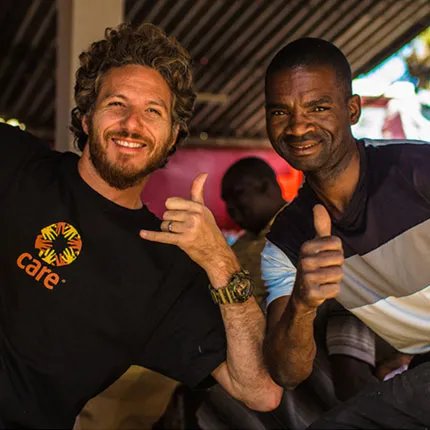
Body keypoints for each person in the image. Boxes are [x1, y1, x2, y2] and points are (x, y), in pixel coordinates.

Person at [0, 22, 282, 429]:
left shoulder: (164, 271)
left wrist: (220, 259)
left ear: (172, 138)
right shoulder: (13, 161)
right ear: (85, 119)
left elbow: (260, 390)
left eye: (153, 111)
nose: (132, 124)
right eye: (117, 103)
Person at [262, 36, 430, 427]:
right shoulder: (286, 243)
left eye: (318, 107)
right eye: (280, 112)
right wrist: (303, 302)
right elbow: (287, 373)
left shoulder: (418, 171)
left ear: (351, 110)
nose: (298, 126)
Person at [221, 157, 288, 309]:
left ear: (266, 187)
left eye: (237, 194)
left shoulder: (299, 229)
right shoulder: (240, 244)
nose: (230, 206)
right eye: (226, 200)